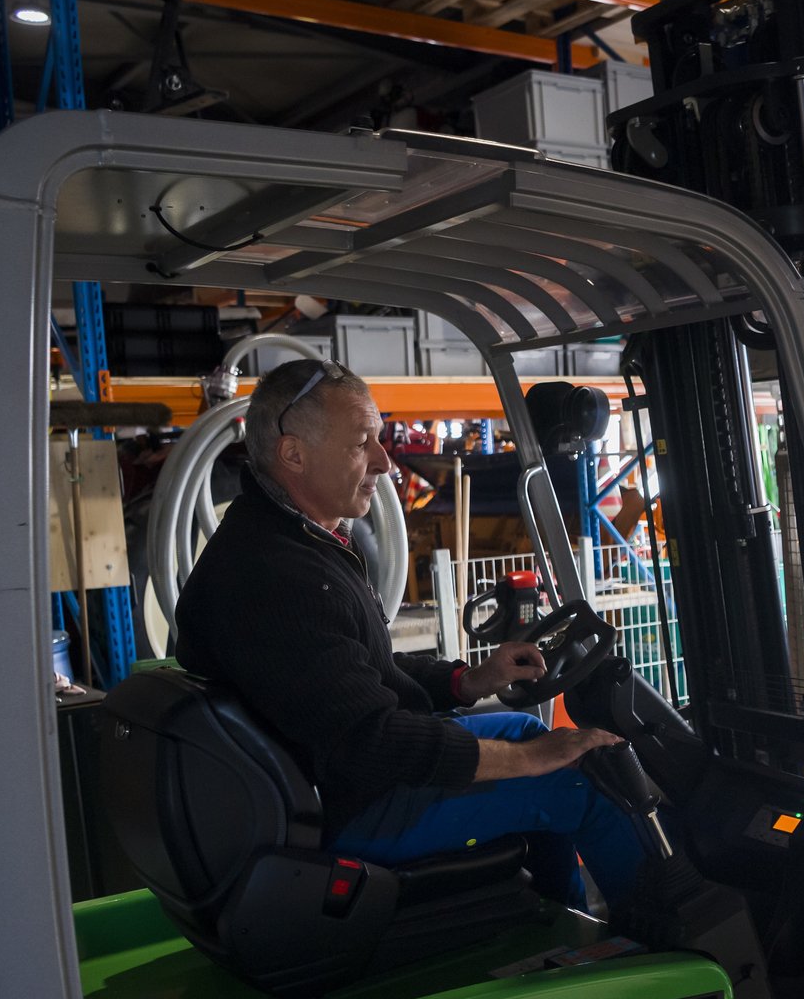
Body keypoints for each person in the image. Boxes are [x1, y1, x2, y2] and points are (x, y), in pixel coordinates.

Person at [174, 358, 643, 907]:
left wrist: (470, 680)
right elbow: (373, 741)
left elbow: (360, 676)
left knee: (519, 726)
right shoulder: (276, 577)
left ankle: (554, 915)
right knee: (582, 784)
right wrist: (534, 761)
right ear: (294, 454)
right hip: (352, 810)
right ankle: (658, 938)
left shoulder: (296, 542)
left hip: (344, 781)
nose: (384, 462)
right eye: (362, 444)